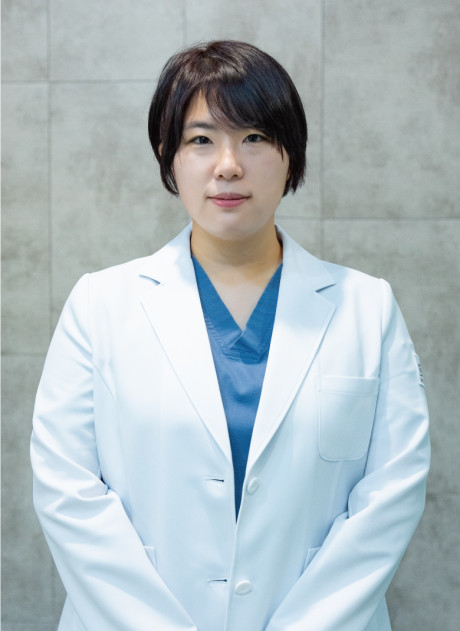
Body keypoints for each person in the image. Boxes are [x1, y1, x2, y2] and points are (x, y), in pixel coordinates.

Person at [31, 40, 430, 631]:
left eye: (255, 137)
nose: (228, 165)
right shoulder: (100, 305)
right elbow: (68, 492)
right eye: (201, 140)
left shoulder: (367, 308)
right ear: (168, 156)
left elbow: (392, 492)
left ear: (291, 156)